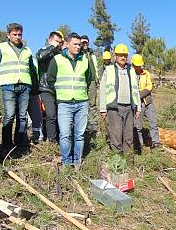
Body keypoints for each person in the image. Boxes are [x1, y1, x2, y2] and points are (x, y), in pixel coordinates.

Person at [45, 32, 95, 168]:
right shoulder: (57, 60)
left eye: (79, 44)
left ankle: (77, 162)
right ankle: (66, 163)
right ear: (67, 44)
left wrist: (82, 93)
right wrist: (61, 92)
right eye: (75, 44)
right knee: (65, 134)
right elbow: (50, 79)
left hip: (81, 102)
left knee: (79, 135)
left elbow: (89, 78)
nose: (78, 47)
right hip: (64, 103)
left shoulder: (85, 60)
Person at [0, 23, 38, 152]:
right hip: (8, 86)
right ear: (8, 35)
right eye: (14, 34)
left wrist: (33, 85)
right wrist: (1, 79)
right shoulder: (1, 47)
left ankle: (19, 143)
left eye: (19, 34)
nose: (17, 37)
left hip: (25, 86)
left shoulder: (27, 50)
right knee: (9, 115)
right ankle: (6, 145)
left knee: (22, 116)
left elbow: (32, 69)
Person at [99, 43, 141, 154]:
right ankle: (117, 160)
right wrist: (103, 109)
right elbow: (102, 90)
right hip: (114, 107)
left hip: (129, 108)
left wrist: (138, 107)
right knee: (116, 135)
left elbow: (136, 90)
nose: (123, 57)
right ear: (115, 56)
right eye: (120, 55)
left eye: (125, 55)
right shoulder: (109, 70)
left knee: (128, 136)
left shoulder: (131, 71)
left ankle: (128, 159)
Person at [37, 30, 64, 142]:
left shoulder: (61, 55)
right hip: (46, 88)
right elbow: (40, 57)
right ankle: (52, 141)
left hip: (58, 88)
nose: (58, 43)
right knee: (51, 114)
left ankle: (59, 138)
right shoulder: (43, 51)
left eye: (59, 42)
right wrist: (52, 47)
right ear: (50, 40)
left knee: (59, 115)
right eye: (56, 41)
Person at [131, 54, 161, 151]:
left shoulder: (146, 73)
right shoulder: (130, 74)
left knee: (153, 123)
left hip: (147, 102)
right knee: (138, 126)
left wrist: (139, 94)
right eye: (136, 65)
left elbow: (149, 86)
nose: (138, 67)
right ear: (133, 64)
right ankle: (140, 145)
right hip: (137, 104)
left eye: (139, 65)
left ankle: (156, 143)